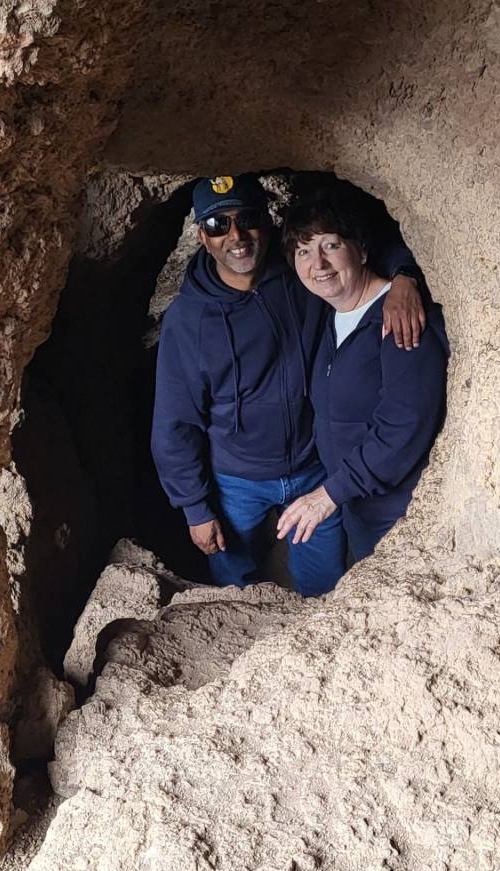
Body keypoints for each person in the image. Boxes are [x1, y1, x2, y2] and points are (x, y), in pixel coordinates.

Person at [151, 174, 427, 596]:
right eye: (218, 225)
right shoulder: (188, 320)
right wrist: (195, 508)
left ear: (267, 221)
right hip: (236, 480)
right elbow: (174, 421)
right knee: (233, 589)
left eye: (247, 219)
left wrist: (405, 276)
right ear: (202, 237)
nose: (236, 236)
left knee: (323, 588)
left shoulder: (303, 275)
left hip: (313, 467)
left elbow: (362, 244)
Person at [274, 185, 448, 565]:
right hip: (359, 505)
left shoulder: (400, 319)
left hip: (400, 512)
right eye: (303, 251)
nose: (318, 263)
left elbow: (403, 427)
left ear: (363, 250)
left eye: (331, 245)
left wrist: (330, 494)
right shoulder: (330, 315)